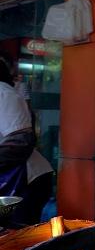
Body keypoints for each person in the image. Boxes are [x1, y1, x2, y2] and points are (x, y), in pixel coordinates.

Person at [0, 58, 53, 225]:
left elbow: (20, 143)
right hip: (8, 180)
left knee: (18, 240)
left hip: (27, 180)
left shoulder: (4, 94)